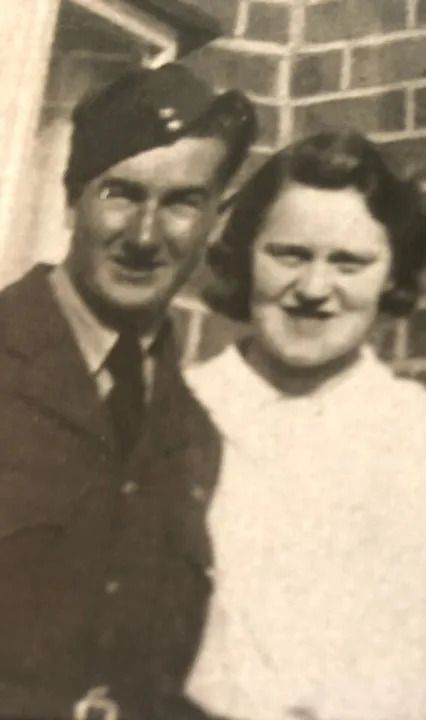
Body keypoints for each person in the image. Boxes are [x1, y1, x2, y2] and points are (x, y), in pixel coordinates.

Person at [182, 129, 426, 720]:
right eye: (289, 254)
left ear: (392, 275)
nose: (314, 289)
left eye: (349, 262)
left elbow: (424, 656)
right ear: (246, 254)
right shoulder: (179, 413)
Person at [0, 64, 256, 719]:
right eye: (121, 193)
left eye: (181, 203)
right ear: (71, 196)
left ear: (215, 219)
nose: (145, 236)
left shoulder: (197, 433)